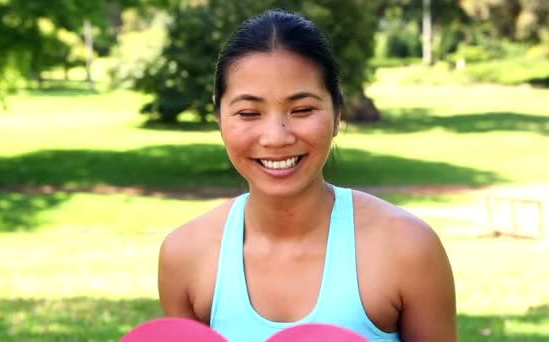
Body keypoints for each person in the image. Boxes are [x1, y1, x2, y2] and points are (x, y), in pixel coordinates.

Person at [157, 9, 457, 342]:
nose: (276, 137)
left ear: (337, 111)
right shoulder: (185, 256)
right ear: (218, 115)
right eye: (248, 113)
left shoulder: (407, 248)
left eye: (302, 110)